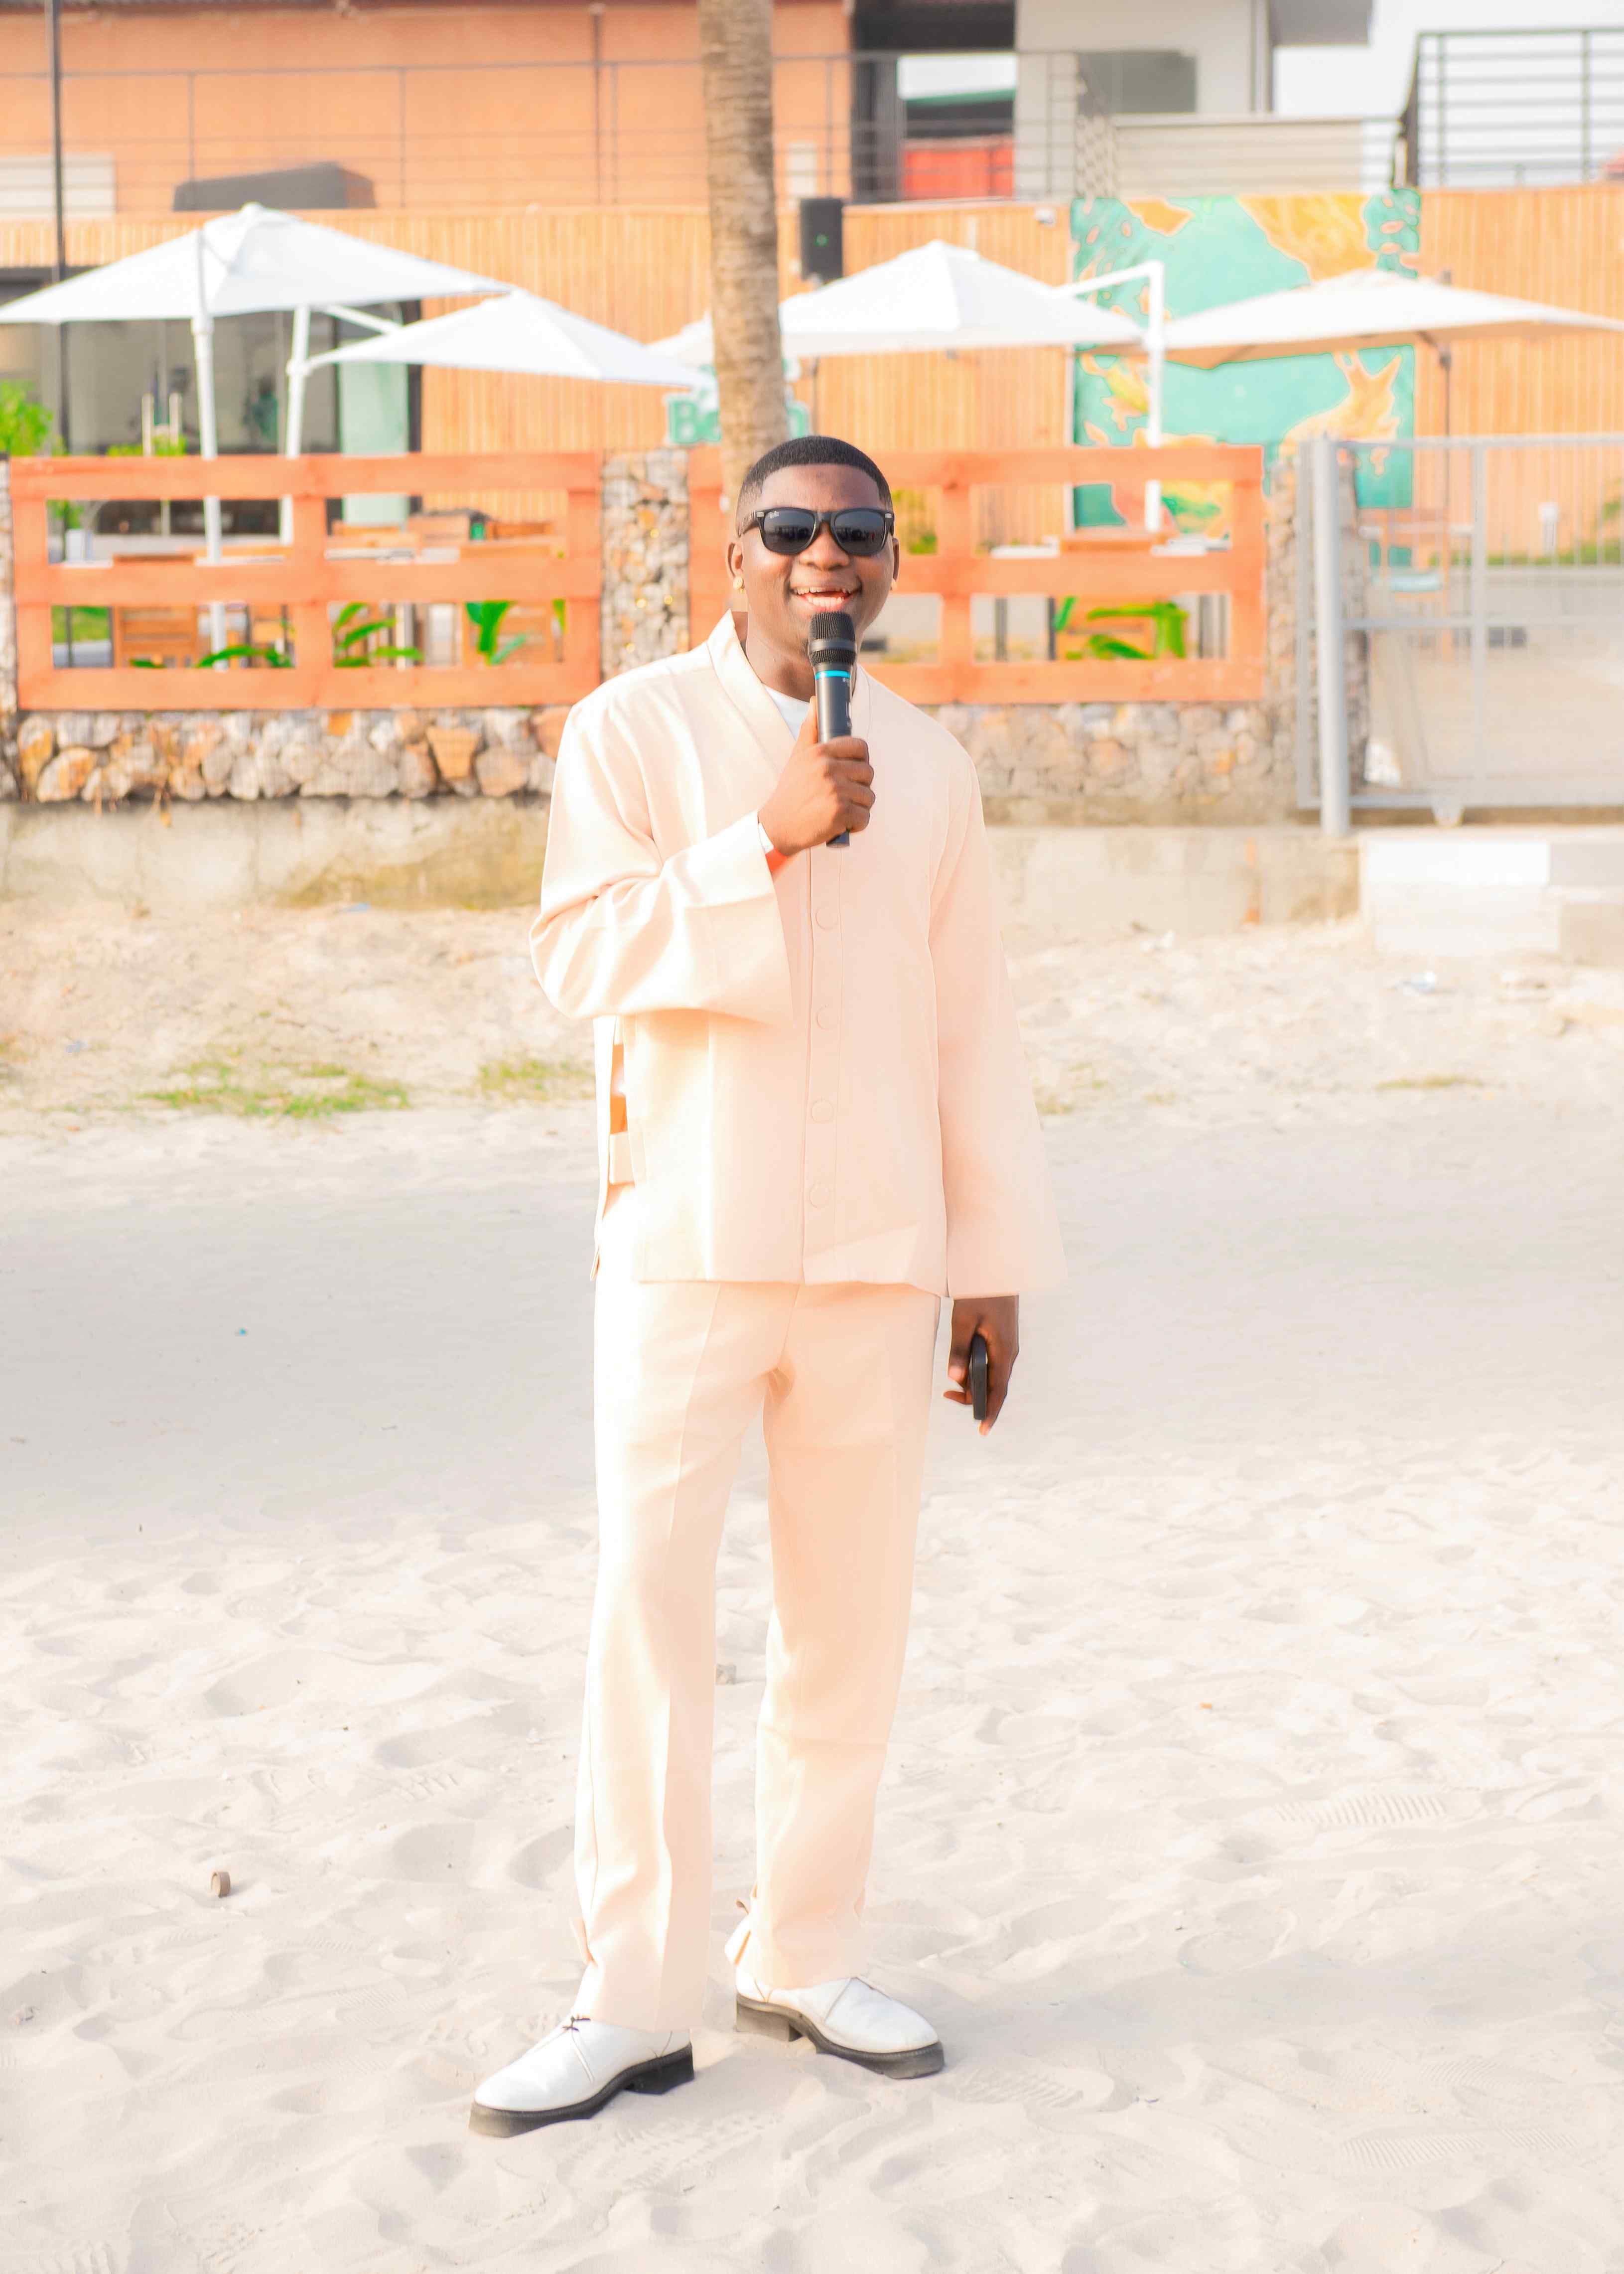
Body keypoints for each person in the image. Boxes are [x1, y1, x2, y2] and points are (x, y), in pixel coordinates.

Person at [471, 435, 1063, 2135]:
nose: (826, 554)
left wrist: (990, 1263)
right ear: (730, 554)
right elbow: (579, 953)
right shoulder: (632, 731)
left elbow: (971, 1028)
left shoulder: (932, 767)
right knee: (648, 1620)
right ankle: (632, 1995)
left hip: (880, 1253)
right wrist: (766, 840)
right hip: (684, 1239)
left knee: (847, 1627)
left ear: (889, 562)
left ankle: (802, 1954)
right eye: (790, 527)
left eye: (855, 530)